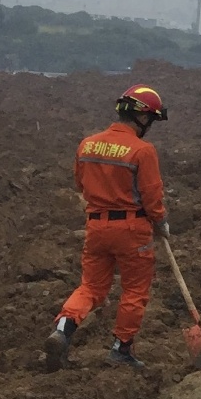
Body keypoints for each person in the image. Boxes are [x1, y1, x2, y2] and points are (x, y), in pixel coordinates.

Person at [45, 85, 170, 371]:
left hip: (96, 226)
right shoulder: (143, 150)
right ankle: (121, 349)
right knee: (135, 290)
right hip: (131, 229)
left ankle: (63, 330)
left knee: (90, 287)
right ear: (142, 118)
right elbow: (152, 196)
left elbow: (80, 184)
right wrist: (161, 222)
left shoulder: (87, 144)